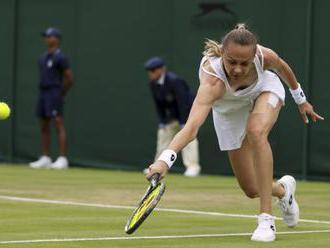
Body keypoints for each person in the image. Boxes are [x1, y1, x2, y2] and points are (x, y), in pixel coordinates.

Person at [146, 24, 324, 242]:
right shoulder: (212, 81)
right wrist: (165, 161)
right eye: (232, 62)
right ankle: (283, 190)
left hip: (264, 90)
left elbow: (283, 68)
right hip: (228, 112)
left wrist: (301, 99)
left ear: (254, 56)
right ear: (222, 53)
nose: (238, 69)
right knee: (250, 188)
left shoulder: (265, 56)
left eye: (245, 63)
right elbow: (191, 127)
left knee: (256, 132)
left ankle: (266, 219)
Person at [144, 57, 202, 177]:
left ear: (161, 70)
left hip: (186, 115)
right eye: (150, 71)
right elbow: (158, 105)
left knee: (188, 139)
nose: (151, 73)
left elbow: (183, 102)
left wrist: (184, 122)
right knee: (163, 138)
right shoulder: (152, 84)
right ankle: (157, 167)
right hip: (170, 117)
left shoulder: (175, 81)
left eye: (153, 70)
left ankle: (192, 167)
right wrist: (162, 121)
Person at [29, 27, 74, 169]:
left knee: (58, 123)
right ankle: (45, 157)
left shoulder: (60, 57)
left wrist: (61, 93)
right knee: (44, 124)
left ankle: (62, 159)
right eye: (46, 36)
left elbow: (69, 78)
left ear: (56, 39)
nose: (47, 39)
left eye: (50, 36)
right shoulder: (42, 58)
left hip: (54, 93)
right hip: (43, 93)